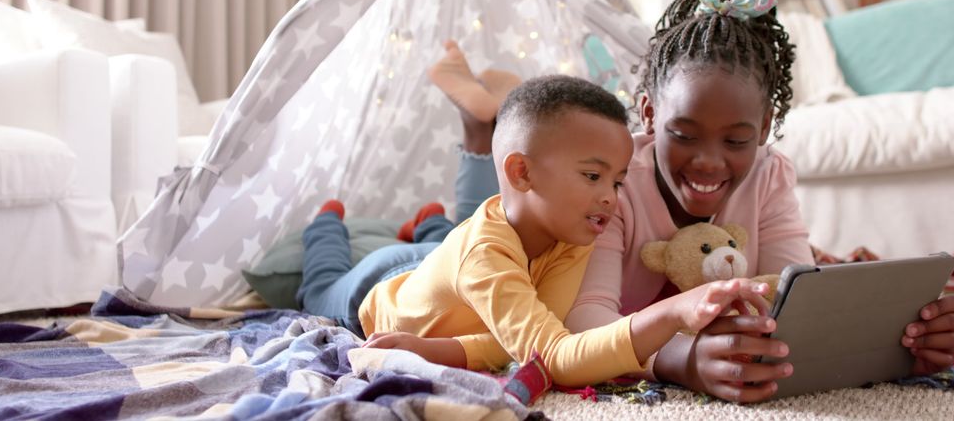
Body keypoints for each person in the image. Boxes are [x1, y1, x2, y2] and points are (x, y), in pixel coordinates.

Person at [425, 0, 954, 402]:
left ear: (766, 124)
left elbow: (796, 295)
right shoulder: (612, 185)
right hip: (492, 261)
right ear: (650, 115)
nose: (709, 161)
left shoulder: (769, 175)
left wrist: (894, 342)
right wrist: (679, 360)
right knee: (444, 244)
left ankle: (478, 135)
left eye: (737, 140)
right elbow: (584, 318)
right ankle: (477, 136)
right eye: (683, 135)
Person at [299, 74, 772, 387]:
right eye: (593, 176)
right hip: (373, 297)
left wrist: (441, 350)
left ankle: (428, 223)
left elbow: (531, 342)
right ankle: (324, 225)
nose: (611, 195)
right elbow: (555, 358)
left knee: (445, 240)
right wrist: (672, 314)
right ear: (522, 173)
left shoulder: (574, 237)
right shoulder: (485, 256)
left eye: (619, 180)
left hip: (448, 275)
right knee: (319, 285)